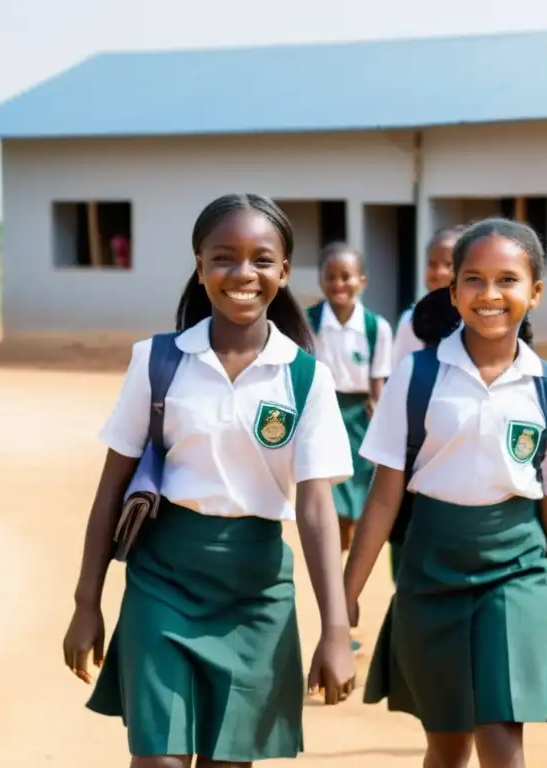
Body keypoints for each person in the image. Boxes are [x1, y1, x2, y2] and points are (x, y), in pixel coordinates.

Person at [61, 193, 357, 768]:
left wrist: (337, 629)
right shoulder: (158, 361)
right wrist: (86, 602)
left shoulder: (306, 378)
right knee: (158, 760)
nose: (243, 273)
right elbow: (110, 491)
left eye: (261, 259)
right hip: (163, 581)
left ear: (284, 272)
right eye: (224, 257)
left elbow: (318, 510)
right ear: (200, 268)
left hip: (255, 593)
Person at [343, 217, 547, 768]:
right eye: (474, 280)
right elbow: (384, 498)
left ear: (534, 293)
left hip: (516, 572)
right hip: (430, 572)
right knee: (447, 744)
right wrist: (345, 601)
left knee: (501, 737)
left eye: (507, 280)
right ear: (453, 291)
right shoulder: (416, 375)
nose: (490, 294)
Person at [306, 242, 393, 553]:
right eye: (330, 276)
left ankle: (354, 540)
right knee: (332, 480)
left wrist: (381, 416)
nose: (339, 284)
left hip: (360, 414)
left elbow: (377, 379)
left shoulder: (376, 327)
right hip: (325, 412)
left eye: (346, 276)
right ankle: (336, 541)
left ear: (362, 281)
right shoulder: (309, 322)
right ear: (321, 280)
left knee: (361, 480)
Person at [391, 225, 462, 363]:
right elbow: (399, 373)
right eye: (432, 264)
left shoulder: (476, 322)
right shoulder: (410, 320)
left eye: (448, 265)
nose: (438, 272)